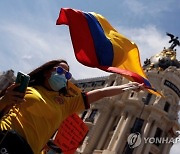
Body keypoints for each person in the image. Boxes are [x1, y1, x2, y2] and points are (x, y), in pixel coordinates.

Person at [0, 59, 144, 154]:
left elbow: (100, 93)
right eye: (60, 71)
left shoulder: (66, 103)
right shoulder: (28, 88)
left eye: (67, 75)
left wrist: (128, 86)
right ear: (46, 72)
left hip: (27, 150)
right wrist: (5, 99)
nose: (63, 76)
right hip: (4, 136)